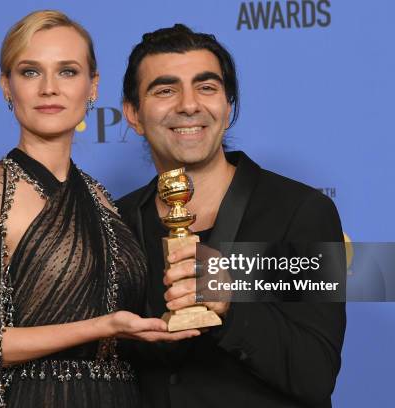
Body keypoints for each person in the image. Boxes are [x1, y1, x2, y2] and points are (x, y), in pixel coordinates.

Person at [0, 11, 199, 408]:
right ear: (7, 86)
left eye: (68, 72)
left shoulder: (103, 198)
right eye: (30, 72)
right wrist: (105, 326)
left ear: (92, 86)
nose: (49, 89)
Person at [117, 24, 346, 407]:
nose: (189, 104)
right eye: (165, 89)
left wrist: (231, 305)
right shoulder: (115, 221)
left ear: (228, 107)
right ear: (133, 114)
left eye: (206, 87)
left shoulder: (302, 211)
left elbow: (316, 374)